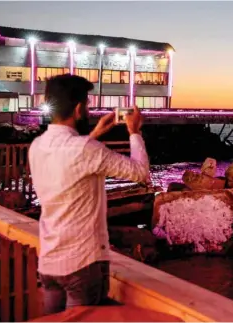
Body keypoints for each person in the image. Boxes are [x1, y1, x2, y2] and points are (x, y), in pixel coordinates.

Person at [28, 74, 151, 315]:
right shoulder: (86, 150)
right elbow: (140, 172)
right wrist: (134, 132)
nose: (89, 108)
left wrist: (94, 135)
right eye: (87, 103)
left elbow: (71, 162)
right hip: (81, 265)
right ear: (77, 108)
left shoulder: (38, 146)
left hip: (50, 262)